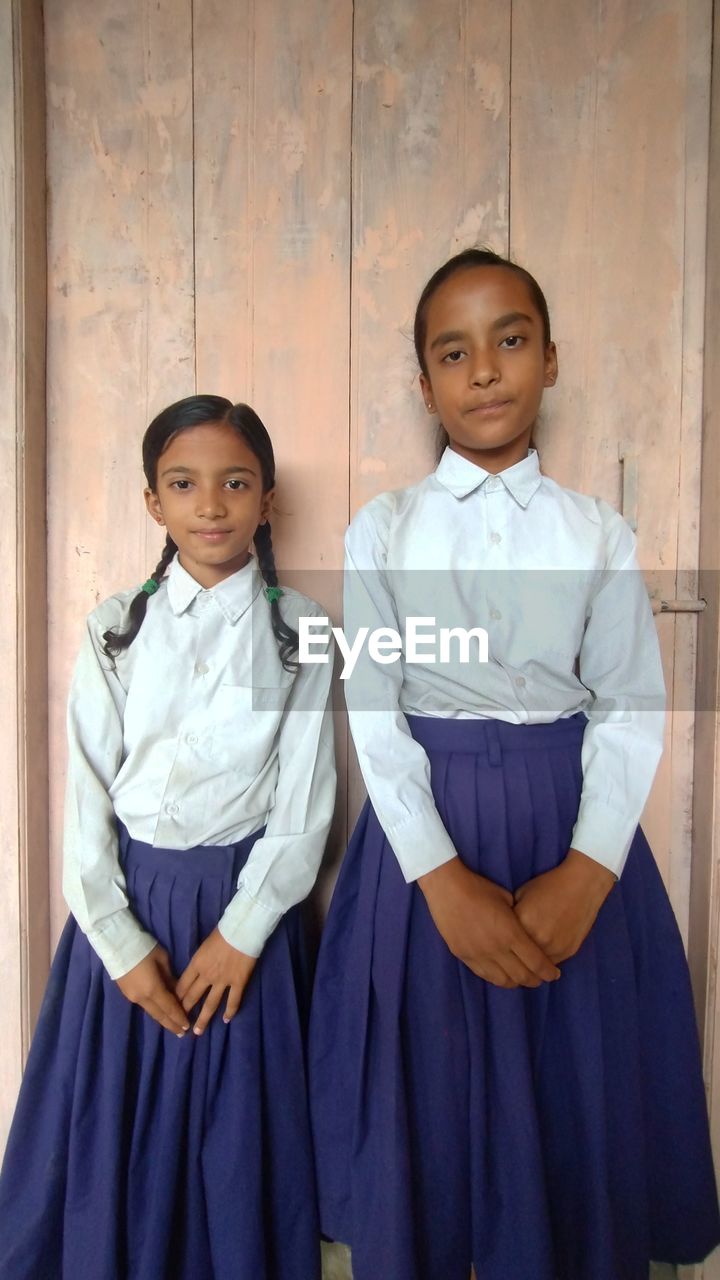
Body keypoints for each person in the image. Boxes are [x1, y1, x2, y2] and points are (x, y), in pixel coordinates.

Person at [309, 249, 720, 1280]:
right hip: (423, 849)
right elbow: (376, 710)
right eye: (455, 351)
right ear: (426, 382)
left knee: (572, 1085)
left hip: (568, 825)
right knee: (432, 1095)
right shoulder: (382, 530)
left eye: (510, 340)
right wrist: (440, 880)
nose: (485, 369)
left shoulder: (598, 533)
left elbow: (629, 708)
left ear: (550, 361)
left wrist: (589, 869)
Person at [0, 395, 335, 1280]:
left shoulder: (301, 634)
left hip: (242, 920)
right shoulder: (115, 629)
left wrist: (243, 933)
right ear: (153, 502)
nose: (212, 505)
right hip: (132, 912)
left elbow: (305, 810)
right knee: (119, 1139)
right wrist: (117, 943)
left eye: (236, 483)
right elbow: (86, 802)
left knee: (236, 1151)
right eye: (184, 484)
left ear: (267, 501)